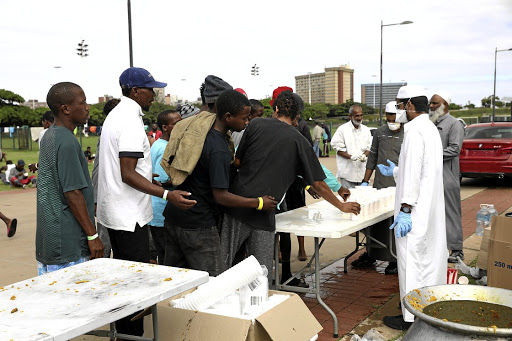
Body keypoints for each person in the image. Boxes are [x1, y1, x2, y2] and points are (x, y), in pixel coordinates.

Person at [220, 90, 360, 282]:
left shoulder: (255, 124)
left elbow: (237, 161)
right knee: (260, 275)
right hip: (265, 213)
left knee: (225, 266)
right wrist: (341, 205)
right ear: (298, 116)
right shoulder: (300, 142)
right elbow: (318, 183)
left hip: (237, 207)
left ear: (276, 109)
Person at [96, 67, 195, 337]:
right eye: (150, 89)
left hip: (116, 212)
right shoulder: (129, 119)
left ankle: (123, 331)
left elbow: (126, 168)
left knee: (123, 279)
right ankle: (132, 335)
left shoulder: (117, 115)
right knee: (133, 283)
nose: (154, 94)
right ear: (135, 91)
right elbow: (126, 173)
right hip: (129, 216)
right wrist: (166, 194)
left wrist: (145, 175)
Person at [163, 90, 277, 276]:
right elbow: (221, 196)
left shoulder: (200, 135)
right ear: (228, 117)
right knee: (212, 282)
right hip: (198, 225)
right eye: (244, 118)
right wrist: (259, 202)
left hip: (174, 217)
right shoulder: (219, 150)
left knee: (177, 281)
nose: (247, 122)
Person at [377, 85, 446, 330]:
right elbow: (421, 170)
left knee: (411, 261)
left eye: (399, 105)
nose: (397, 111)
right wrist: (395, 171)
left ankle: (411, 317)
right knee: (427, 259)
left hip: (414, 210)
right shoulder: (429, 128)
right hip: (428, 208)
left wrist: (405, 209)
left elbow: (415, 171)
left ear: (409, 105)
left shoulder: (415, 130)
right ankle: (426, 307)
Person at [36, 82, 104, 276]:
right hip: (67, 244)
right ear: (65, 109)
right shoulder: (66, 141)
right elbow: (72, 193)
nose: (87, 107)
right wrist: (92, 235)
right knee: (74, 302)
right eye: (82, 102)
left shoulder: (49, 136)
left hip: (49, 241)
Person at [352, 101, 404, 274]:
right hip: (380, 185)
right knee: (376, 222)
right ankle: (371, 253)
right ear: (385, 115)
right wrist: (365, 181)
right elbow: (372, 158)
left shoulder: (408, 133)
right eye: (390, 115)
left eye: (396, 115)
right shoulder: (380, 133)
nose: (393, 119)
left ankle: (394, 259)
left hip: (400, 186)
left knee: (394, 223)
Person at [429, 92, 465, 262]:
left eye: (435, 103)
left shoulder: (454, 124)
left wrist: (430, 154)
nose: (431, 106)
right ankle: (438, 247)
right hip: (431, 176)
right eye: (430, 103)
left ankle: (457, 249)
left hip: (446, 176)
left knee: (451, 213)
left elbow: (455, 149)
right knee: (433, 214)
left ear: (445, 104)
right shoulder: (430, 124)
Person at [149, 109, 182, 264]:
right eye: (176, 123)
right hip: (162, 209)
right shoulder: (164, 148)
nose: (181, 125)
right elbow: (162, 180)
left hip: (157, 209)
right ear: (165, 127)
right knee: (167, 257)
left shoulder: (160, 144)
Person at [91, 98, 120, 259]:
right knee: (105, 239)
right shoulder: (108, 134)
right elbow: (98, 168)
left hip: (118, 197)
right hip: (105, 196)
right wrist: (95, 198)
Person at [330, 104, 372, 188]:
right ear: (350, 116)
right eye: (356, 116)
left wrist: (364, 155)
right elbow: (337, 148)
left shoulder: (366, 130)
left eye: (361, 115)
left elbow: (369, 147)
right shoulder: (342, 130)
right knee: (348, 199)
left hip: (362, 174)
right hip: (347, 175)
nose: (359, 118)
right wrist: (351, 157)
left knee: (363, 200)